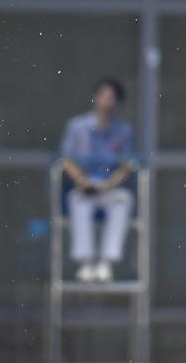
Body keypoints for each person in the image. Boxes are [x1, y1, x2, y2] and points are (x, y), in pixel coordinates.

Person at [59, 78, 136, 283]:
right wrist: (82, 182)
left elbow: (127, 164)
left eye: (111, 98)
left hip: (109, 188)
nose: (106, 101)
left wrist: (109, 184)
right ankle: (85, 262)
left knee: (123, 200)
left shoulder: (124, 131)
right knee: (78, 200)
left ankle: (105, 262)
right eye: (103, 96)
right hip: (83, 187)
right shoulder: (77, 126)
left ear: (117, 103)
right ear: (95, 98)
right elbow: (66, 160)